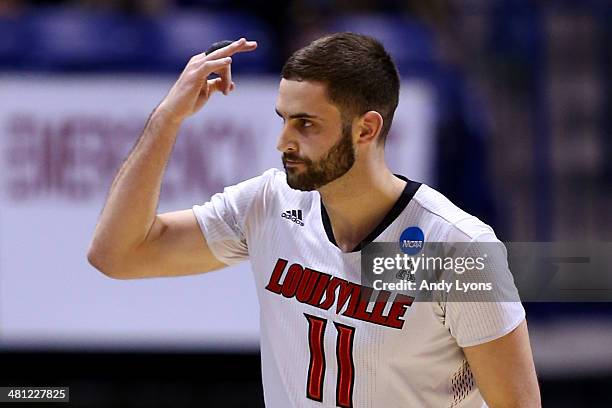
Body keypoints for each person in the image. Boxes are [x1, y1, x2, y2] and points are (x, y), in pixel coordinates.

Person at [88, 34, 541, 407]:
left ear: (366, 129)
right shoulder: (267, 203)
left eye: (305, 124)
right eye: (283, 120)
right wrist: (168, 118)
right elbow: (117, 254)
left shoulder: (457, 248)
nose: (283, 141)